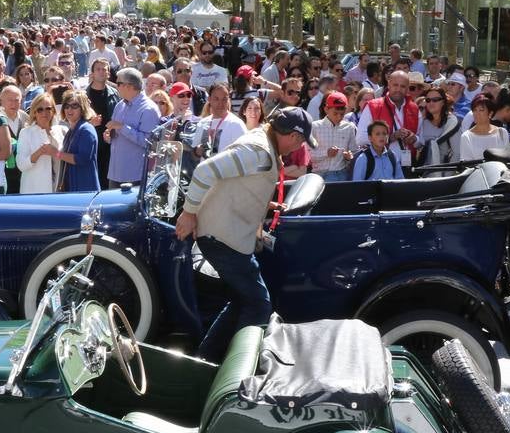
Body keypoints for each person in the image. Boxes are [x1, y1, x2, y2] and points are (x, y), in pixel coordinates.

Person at [175, 106, 314, 362]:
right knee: (259, 304)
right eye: (301, 142)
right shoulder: (258, 151)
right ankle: (237, 368)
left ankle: (206, 359)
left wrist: (263, 202)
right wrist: (189, 212)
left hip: (225, 235)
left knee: (243, 300)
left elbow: (237, 181)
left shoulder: (262, 146)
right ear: (294, 136)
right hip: (222, 237)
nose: (297, 149)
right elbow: (205, 171)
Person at [106, 67, 162, 187]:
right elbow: (115, 133)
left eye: (118, 83)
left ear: (129, 86)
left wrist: (122, 127)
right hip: (115, 173)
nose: (116, 86)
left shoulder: (149, 109)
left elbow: (149, 142)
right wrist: (109, 135)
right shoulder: (120, 105)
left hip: (134, 175)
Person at [16, 94, 65, 194]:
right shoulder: (25, 133)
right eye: (40, 109)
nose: (44, 113)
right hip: (33, 191)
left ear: (53, 111)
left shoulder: (61, 131)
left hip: (57, 190)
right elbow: (21, 165)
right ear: (34, 112)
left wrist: (56, 153)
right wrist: (39, 152)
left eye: (48, 109)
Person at [56, 89, 100, 193]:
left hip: (84, 190)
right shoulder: (71, 131)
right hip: (71, 189)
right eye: (66, 106)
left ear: (83, 108)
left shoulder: (86, 130)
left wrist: (56, 153)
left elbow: (82, 159)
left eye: (74, 106)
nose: (69, 110)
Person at [309, 91, 357, 182]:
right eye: (335, 113)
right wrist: (326, 153)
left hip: (341, 174)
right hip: (319, 175)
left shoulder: (349, 127)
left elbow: (354, 152)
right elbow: (308, 155)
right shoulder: (314, 127)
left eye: (342, 114)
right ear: (326, 109)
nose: (339, 117)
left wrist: (349, 157)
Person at [457, 94, 510, 162]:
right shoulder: (466, 136)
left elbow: (507, 158)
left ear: (490, 113)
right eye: (474, 110)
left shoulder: (502, 133)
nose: (476, 113)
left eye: (481, 110)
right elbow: (467, 164)